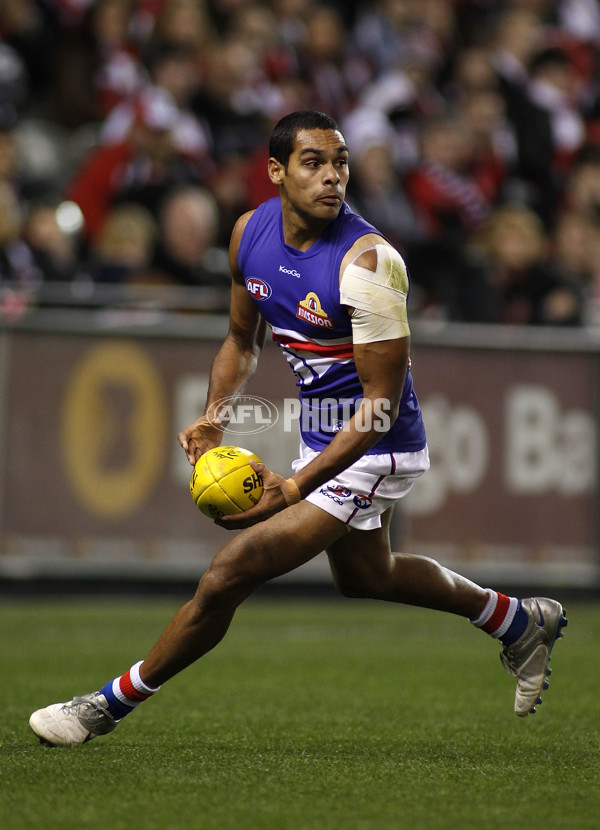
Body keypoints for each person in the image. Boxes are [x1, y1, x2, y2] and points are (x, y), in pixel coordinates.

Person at [29, 110, 567, 747]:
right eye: (314, 163)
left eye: (340, 162)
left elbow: (380, 407)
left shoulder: (370, 264)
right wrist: (214, 415)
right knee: (366, 576)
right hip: (325, 436)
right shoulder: (249, 234)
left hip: (380, 448)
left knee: (230, 572)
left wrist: (297, 486)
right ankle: (516, 621)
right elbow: (239, 340)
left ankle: (103, 707)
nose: (333, 176)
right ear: (277, 172)